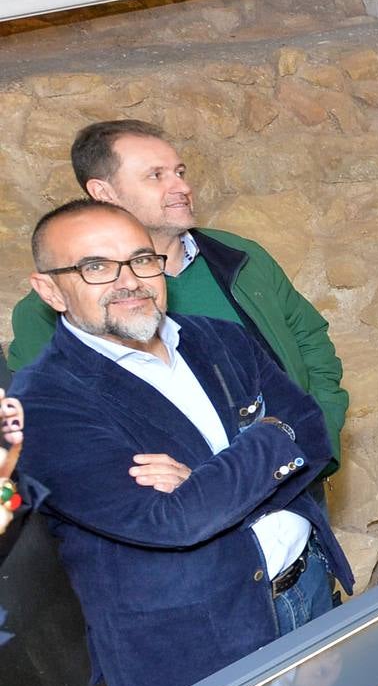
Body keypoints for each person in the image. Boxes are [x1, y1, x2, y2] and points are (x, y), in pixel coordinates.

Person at [10, 200, 353, 686]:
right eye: (95, 267)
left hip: (308, 588)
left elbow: (313, 433)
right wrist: (269, 435)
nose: (129, 280)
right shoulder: (42, 403)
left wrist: (206, 481)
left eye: (142, 259)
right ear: (50, 289)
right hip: (203, 648)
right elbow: (173, 521)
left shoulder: (218, 339)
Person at [8, 120, 348, 472]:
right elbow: (53, 427)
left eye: (179, 171)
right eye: (156, 176)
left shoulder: (240, 256)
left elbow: (310, 341)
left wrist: (318, 435)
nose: (181, 186)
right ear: (104, 192)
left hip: (291, 474)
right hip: (180, 511)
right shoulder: (50, 310)